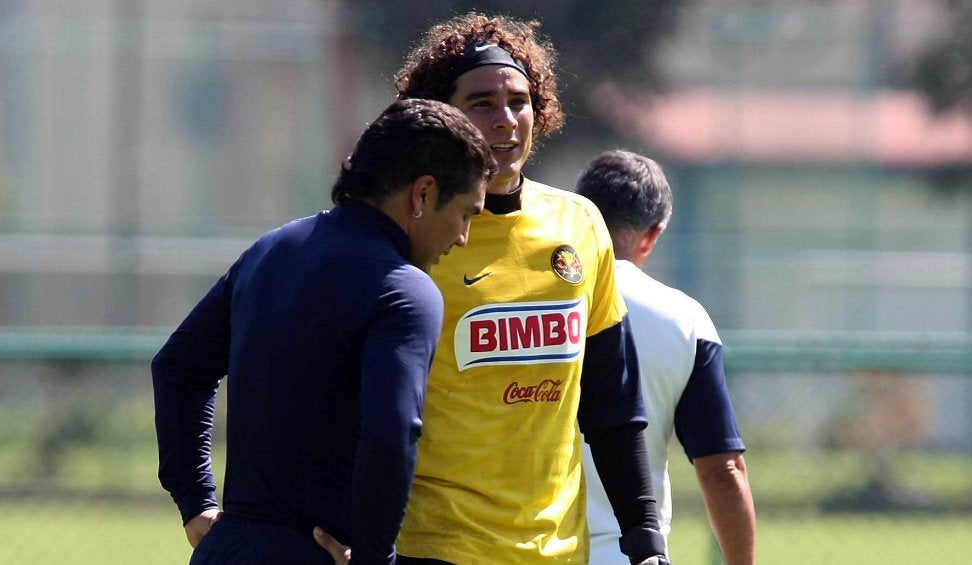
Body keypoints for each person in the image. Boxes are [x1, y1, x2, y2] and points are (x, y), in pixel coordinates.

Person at [314, 13, 669, 565]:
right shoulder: (412, 230)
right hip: (431, 547)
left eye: (519, 101)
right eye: (481, 104)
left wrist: (645, 538)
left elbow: (613, 405)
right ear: (441, 117)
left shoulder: (579, 224)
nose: (506, 120)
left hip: (555, 551)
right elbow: (339, 395)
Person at [152, 97, 495, 565]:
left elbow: (178, 367)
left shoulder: (271, 251)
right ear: (423, 194)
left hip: (226, 550)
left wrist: (196, 501)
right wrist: (376, 559)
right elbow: (390, 435)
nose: (462, 238)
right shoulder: (404, 291)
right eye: (467, 214)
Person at [576, 150, 756, 565]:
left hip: (522, 546)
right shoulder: (684, 319)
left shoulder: (530, 300)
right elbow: (722, 471)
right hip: (630, 554)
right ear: (653, 234)